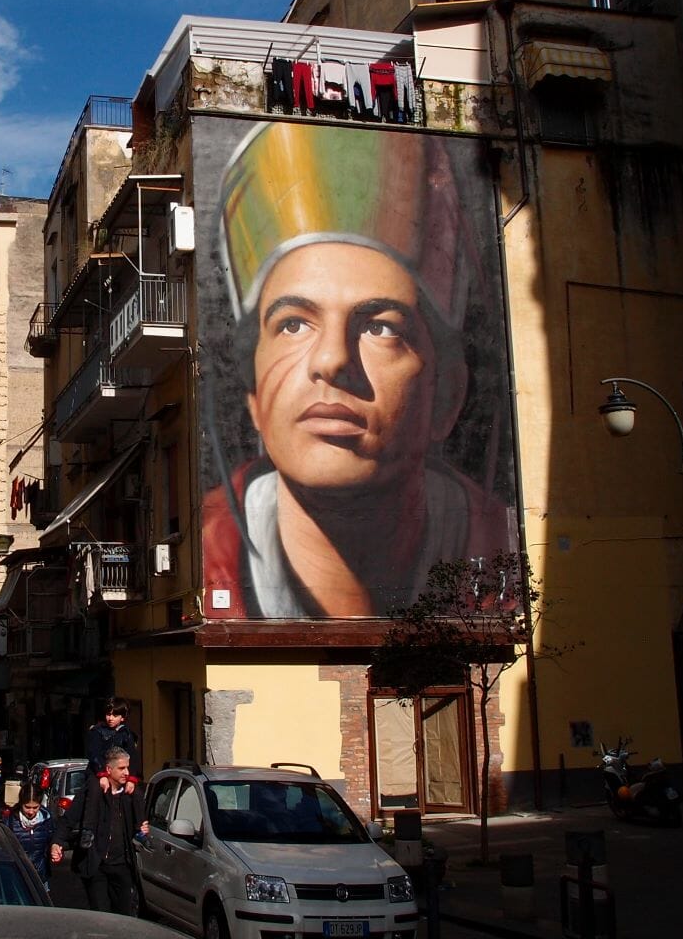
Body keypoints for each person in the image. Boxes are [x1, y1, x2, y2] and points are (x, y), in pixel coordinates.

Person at [202, 122, 515, 619]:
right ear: (253, 397)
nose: (332, 361)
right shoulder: (205, 550)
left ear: (449, 394)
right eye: (293, 324)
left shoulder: (500, 555)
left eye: (381, 327)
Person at [52, 747, 148, 915]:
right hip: (97, 864)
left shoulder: (130, 794)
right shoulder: (94, 791)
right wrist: (57, 842)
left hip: (122, 865)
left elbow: (139, 825)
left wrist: (143, 830)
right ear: (108, 770)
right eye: (121, 768)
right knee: (101, 914)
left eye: (127, 767)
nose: (126, 772)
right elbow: (69, 818)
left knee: (125, 914)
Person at [3, 784, 59, 890]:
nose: (31, 811)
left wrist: (55, 848)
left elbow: (53, 839)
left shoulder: (47, 819)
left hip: (40, 875)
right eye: (27, 807)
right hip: (17, 876)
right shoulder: (10, 821)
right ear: (21, 803)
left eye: (35, 807)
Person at [86, 698, 142, 779]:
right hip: (98, 773)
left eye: (115, 716)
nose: (110, 718)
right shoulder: (98, 731)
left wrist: (131, 779)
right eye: (108, 714)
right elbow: (94, 755)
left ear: (122, 718)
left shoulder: (127, 733)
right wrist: (102, 774)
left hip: (120, 775)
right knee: (95, 790)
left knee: (136, 791)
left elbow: (132, 757)